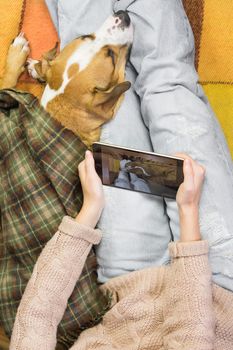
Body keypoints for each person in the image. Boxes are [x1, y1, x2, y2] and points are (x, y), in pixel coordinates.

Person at [10, 150, 233, 349]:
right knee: (183, 132)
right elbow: (191, 333)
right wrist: (188, 208)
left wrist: (91, 208)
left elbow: (36, 315)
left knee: (114, 121)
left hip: (129, 286)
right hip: (212, 291)